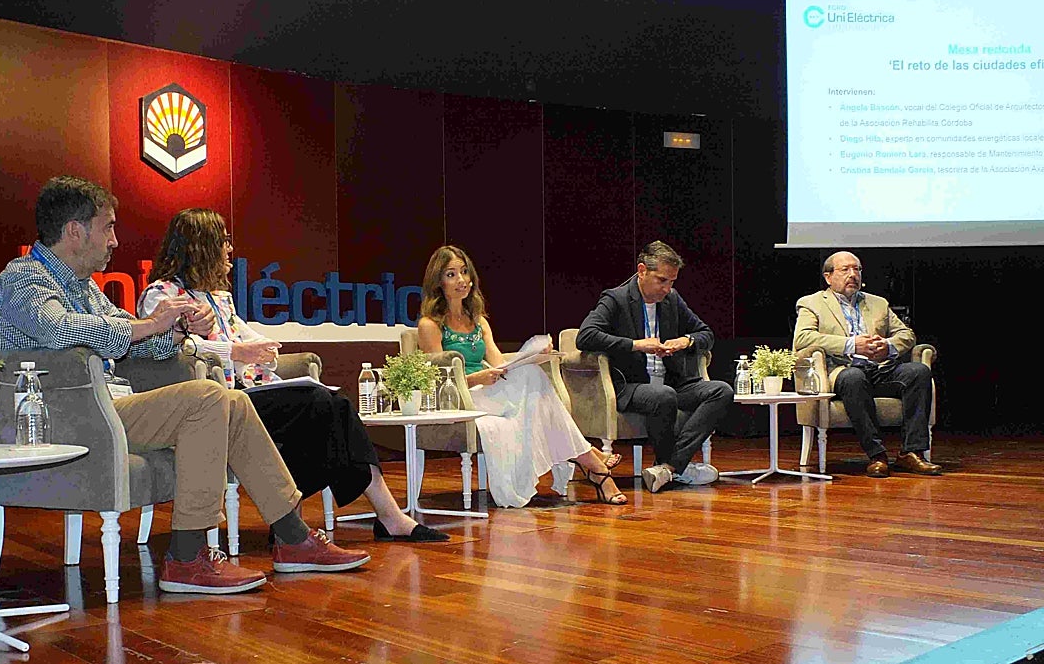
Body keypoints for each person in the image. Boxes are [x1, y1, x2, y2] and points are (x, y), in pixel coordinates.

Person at [0, 176, 371, 595]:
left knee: (233, 403)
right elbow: (59, 331)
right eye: (108, 227)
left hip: (107, 408)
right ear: (76, 231)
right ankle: (187, 556)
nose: (115, 239)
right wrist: (151, 324)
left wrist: (176, 331)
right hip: (58, 419)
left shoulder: (84, 289)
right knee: (207, 397)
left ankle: (293, 536)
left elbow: (132, 338)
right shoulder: (23, 279)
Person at [137, 208, 447, 543]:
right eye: (223, 241)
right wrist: (238, 353)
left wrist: (265, 349)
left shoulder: (219, 297)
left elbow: (243, 335)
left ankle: (364, 518)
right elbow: (175, 351)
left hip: (248, 389)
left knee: (333, 409)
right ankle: (374, 517)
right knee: (323, 405)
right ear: (201, 245)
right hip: (213, 402)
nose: (229, 249)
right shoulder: (162, 295)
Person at [416, 245, 625, 508]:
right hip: (460, 397)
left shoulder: (478, 321)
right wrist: (478, 378)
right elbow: (438, 380)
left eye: (464, 272)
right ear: (438, 282)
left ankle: (588, 460)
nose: (461, 280)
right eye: (451, 274)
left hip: (487, 390)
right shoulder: (430, 325)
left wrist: (532, 355)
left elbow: (499, 362)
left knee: (531, 373)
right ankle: (592, 461)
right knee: (532, 381)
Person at [576, 241, 732, 493]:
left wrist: (686, 341)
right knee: (663, 395)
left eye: (672, 282)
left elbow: (706, 333)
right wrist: (636, 345)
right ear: (641, 270)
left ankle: (668, 467)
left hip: (671, 381)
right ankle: (677, 468)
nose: (667, 288)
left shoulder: (672, 299)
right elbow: (585, 336)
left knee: (721, 391)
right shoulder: (616, 298)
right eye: (662, 280)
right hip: (632, 385)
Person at [793, 251, 941, 478]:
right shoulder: (812, 303)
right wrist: (852, 344)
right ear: (828, 277)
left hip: (881, 369)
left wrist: (888, 346)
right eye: (845, 270)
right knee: (854, 377)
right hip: (843, 370)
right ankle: (877, 455)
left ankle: (911, 453)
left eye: (857, 269)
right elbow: (802, 338)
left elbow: (906, 334)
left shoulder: (878, 303)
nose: (853, 275)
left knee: (918, 372)